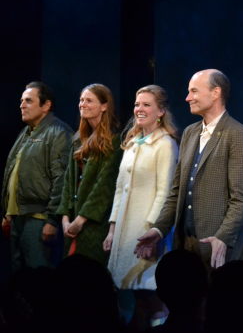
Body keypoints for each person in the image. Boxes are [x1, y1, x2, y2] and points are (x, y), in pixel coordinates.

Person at [135, 70, 243, 272]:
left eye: (194, 92)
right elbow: (176, 191)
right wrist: (158, 229)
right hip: (186, 244)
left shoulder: (237, 134)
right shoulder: (190, 133)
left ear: (215, 93)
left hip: (219, 248)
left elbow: (241, 199)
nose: (187, 97)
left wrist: (223, 237)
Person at [103, 85, 179, 328]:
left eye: (147, 104)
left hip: (147, 232)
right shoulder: (133, 142)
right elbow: (119, 189)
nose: (140, 109)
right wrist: (112, 230)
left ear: (161, 111)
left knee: (152, 293)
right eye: (137, 104)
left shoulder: (165, 144)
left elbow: (165, 192)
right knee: (137, 296)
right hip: (126, 231)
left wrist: (152, 234)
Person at [1, 82, 73, 271]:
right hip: (19, 217)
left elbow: (62, 180)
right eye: (21, 101)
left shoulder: (58, 132)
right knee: (19, 278)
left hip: (39, 218)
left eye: (28, 101)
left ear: (46, 106)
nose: (21, 105)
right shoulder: (25, 133)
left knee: (39, 276)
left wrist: (52, 220)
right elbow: (14, 174)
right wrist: (9, 212)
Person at [56, 83, 123, 267]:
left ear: (104, 106)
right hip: (72, 222)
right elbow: (68, 182)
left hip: (95, 224)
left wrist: (81, 219)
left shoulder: (114, 141)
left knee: (90, 276)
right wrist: (65, 218)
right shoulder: (79, 139)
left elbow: (104, 187)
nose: (82, 104)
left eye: (89, 101)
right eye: (81, 100)